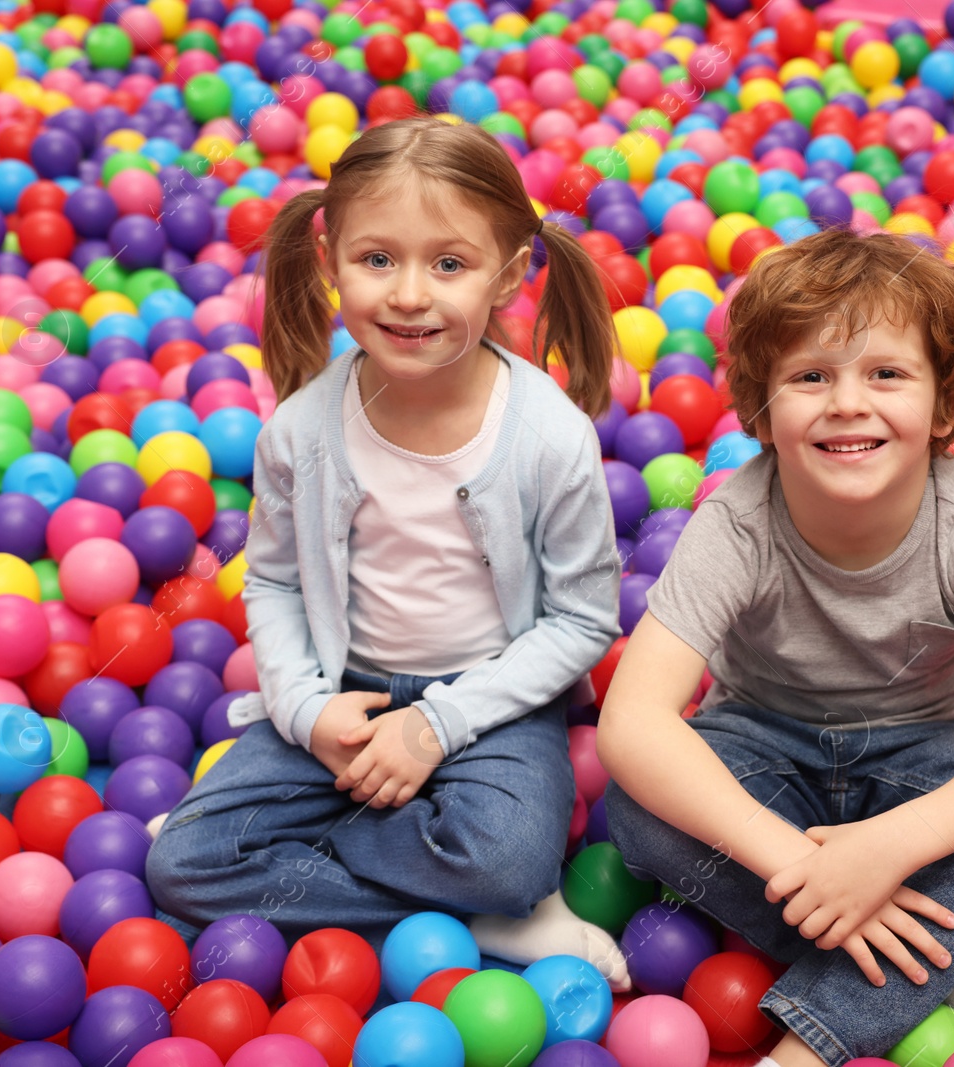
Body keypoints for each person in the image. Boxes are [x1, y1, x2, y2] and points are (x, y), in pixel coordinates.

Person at [146, 116, 630, 987]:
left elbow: (583, 619)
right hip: (348, 696)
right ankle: (473, 907)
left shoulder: (549, 435)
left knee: (512, 859)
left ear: (509, 276)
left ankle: (485, 889)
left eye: (449, 264)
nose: (409, 294)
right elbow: (278, 584)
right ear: (330, 261)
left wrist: (436, 725)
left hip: (495, 703)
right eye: (378, 260)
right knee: (182, 865)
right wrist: (303, 712)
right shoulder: (301, 429)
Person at [598, 227, 954, 1064]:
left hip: (923, 757)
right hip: (763, 750)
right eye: (810, 377)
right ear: (762, 407)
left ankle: (809, 1041)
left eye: (886, 374)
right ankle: (940, 967)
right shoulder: (738, 519)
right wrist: (797, 857)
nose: (846, 402)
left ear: (945, 405)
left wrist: (890, 847)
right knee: (640, 811)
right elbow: (633, 724)